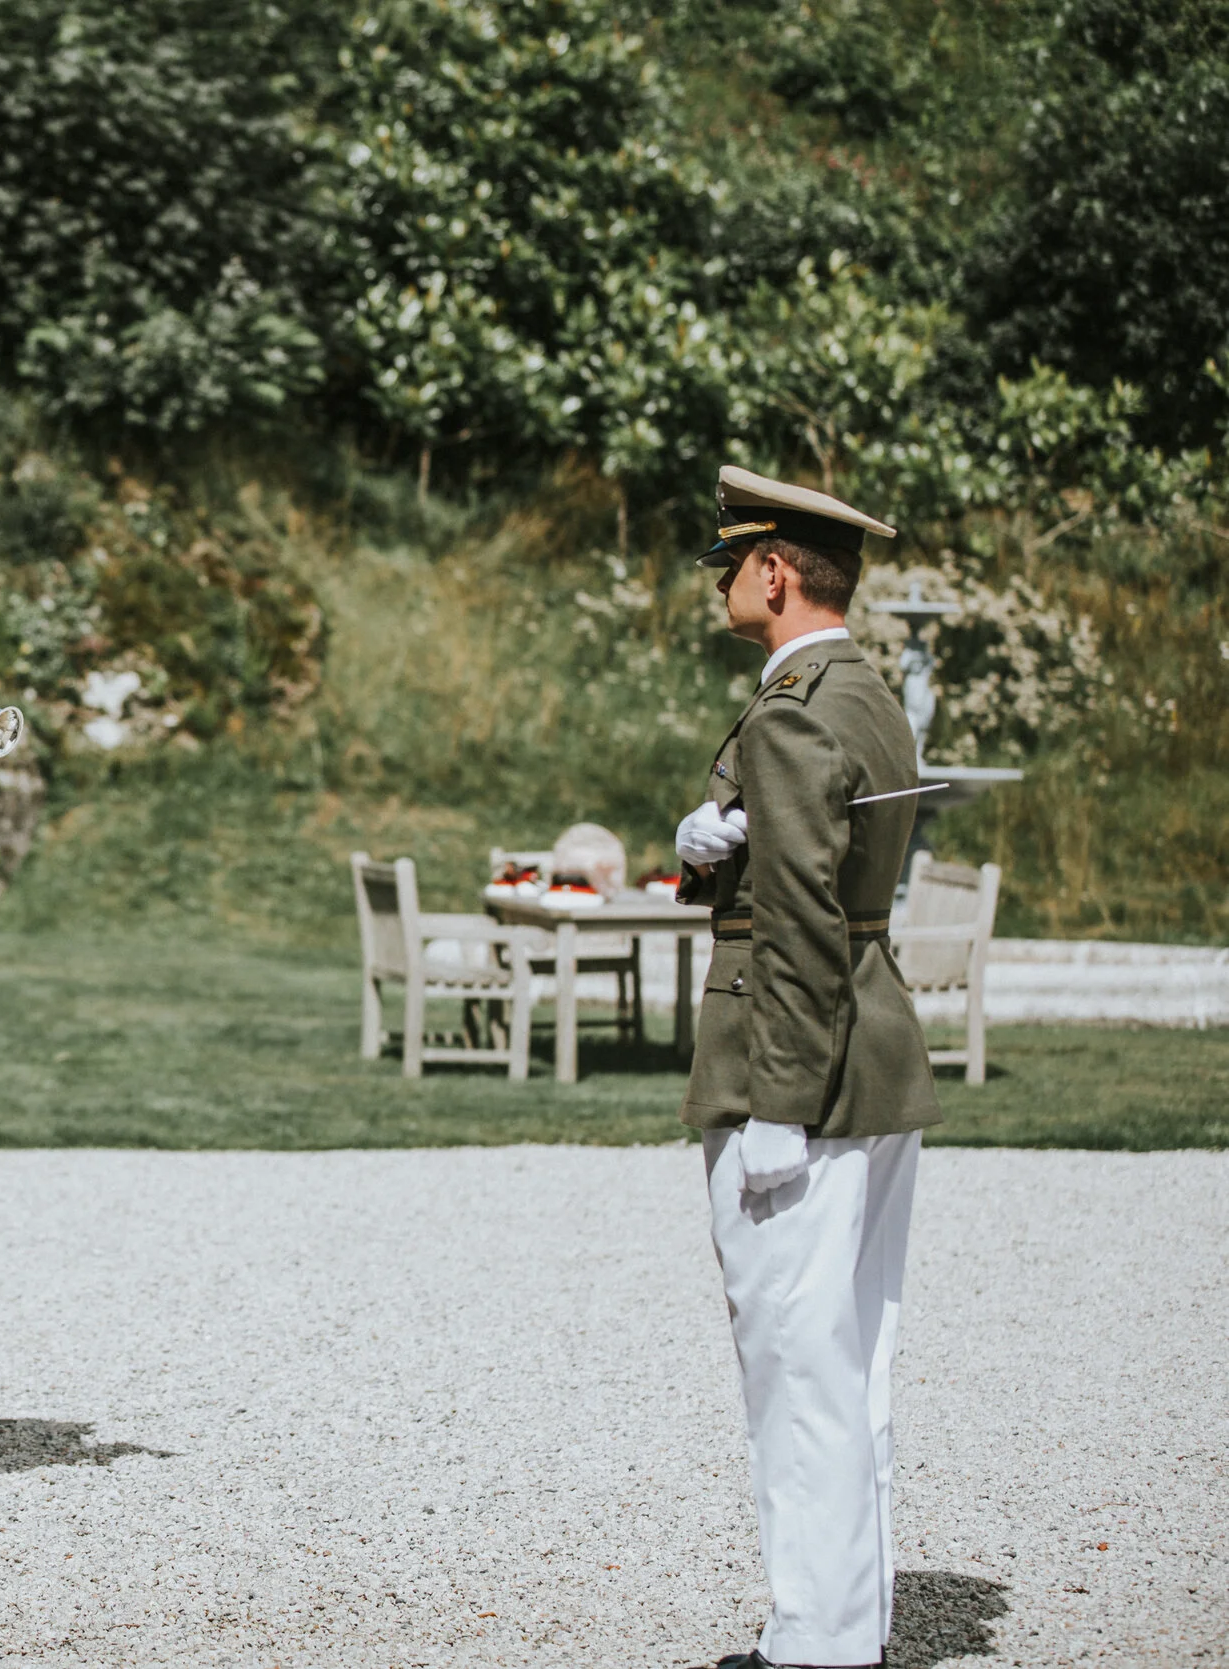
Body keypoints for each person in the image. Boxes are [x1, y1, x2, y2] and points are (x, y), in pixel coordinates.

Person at [672, 466, 943, 1669]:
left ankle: (816, 1644)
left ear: (774, 570)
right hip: (869, 1050)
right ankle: (841, 1623)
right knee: (850, 1357)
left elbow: (792, 924)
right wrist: (705, 853)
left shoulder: (788, 711)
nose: (722, 583)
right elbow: (830, 870)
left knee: (794, 1361)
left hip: (799, 1070)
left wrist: (776, 1105)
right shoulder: (862, 692)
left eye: (731, 564)